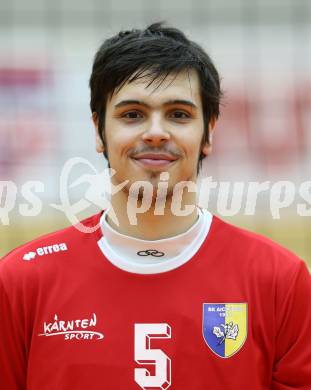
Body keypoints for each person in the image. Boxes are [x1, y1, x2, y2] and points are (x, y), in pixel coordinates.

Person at [0, 22, 310, 390]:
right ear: (98, 129)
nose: (156, 132)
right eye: (132, 114)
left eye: (179, 114)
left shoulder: (279, 281)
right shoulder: (21, 281)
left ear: (209, 131)